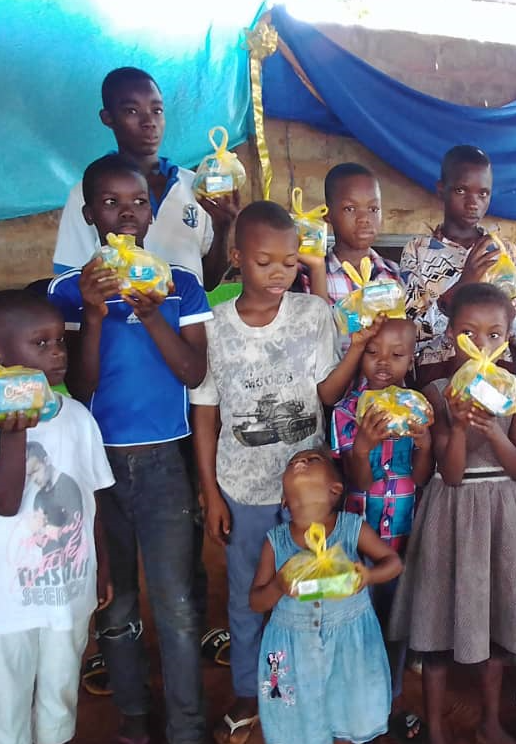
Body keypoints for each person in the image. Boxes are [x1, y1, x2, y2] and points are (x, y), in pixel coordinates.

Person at [190, 200, 379, 744]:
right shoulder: (214, 327)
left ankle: (316, 686)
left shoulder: (312, 313)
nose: (279, 274)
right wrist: (211, 493)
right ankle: (251, 691)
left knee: (315, 588)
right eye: (264, 262)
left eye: (290, 262)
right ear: (236, 258)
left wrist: (356, 349)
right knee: (250, 596)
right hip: (244, 488)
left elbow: (327, 393)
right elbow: (205, 414)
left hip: (309, 492)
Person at [48, 154, 212, 744]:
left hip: (166, 461)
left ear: (151, 211)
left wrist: (152, 313)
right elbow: (80, 386)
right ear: (89, 214)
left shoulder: (179, 283)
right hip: (98, 466)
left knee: (176, 602)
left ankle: (188, 726)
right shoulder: (71, 292)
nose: (127, 213)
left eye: (139, 202)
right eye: (111, 203)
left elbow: (194, 372)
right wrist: (94, 315)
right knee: (116, 600)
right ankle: (134, 716)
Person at [0, 290, 114, 744]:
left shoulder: (76, 418)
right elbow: (4, 502)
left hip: (68, 592)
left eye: (59, 340)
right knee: (7, 705)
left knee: (60, 696)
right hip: (5, 603)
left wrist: (101, 567)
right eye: (40, 343)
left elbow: (92, 499)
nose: (58, 352)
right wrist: (13, 432)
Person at [389, 283, 516, 744]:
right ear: (449, 335)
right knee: (438, 626)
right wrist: (459, 426)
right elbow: (452, 473)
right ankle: (437, 729)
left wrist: (494, 431)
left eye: (494, 335)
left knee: (498, 625)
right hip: (452, 515)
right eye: (469, 334)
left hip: (503, 514)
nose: (482, 345)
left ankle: (489, 723)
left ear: (508, 337)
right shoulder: (438, 392)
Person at [249, 448, 403, 744]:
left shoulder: (351, 528)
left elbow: (394, 563)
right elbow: (255, 602)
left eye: (312, 460)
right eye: (293, 462)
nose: (300, 462)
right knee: (297, 722)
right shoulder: (275, 542)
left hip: (350, 644)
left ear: (335, 490)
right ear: (284, 500)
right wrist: (278, 586)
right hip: (292, 650)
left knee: (348, 710)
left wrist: (369, 576)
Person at [330, 317, 433, 740]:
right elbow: (356, 483)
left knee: (395, 622)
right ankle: (356, 706)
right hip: (360, 541)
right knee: (358, 623)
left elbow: (421, 478)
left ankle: (389, 701)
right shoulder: (346, 411)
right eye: (372, 353)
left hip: (403, 536)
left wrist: (425, 446)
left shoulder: (417, 410)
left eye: (397, 354)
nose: (383, 363)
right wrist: (363, 449)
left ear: (412, 359)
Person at [52, 66, 237, 290]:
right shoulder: (88, 192)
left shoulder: (194, 186)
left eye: (157, 110)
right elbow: (74, 283)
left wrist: (222, 227)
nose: (149, 121)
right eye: (132, 111)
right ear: (108, 118)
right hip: (117, 312)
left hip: (186, 312)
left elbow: (207, 284)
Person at [401, 145, 516, 385]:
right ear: (441, 190)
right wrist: (463, 285)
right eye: (461, 190)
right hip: (438, 376)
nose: (473, 203)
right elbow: (411, 333)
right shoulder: (418, 250)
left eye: (483, 193)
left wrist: (500, 302)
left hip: (497, 378)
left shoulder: (504, 252)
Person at [320, 163, 402, 347]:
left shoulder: (393, 274)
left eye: (373, 209)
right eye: (350, 208)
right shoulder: (312, 275)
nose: (364, 218)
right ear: (328, 214)